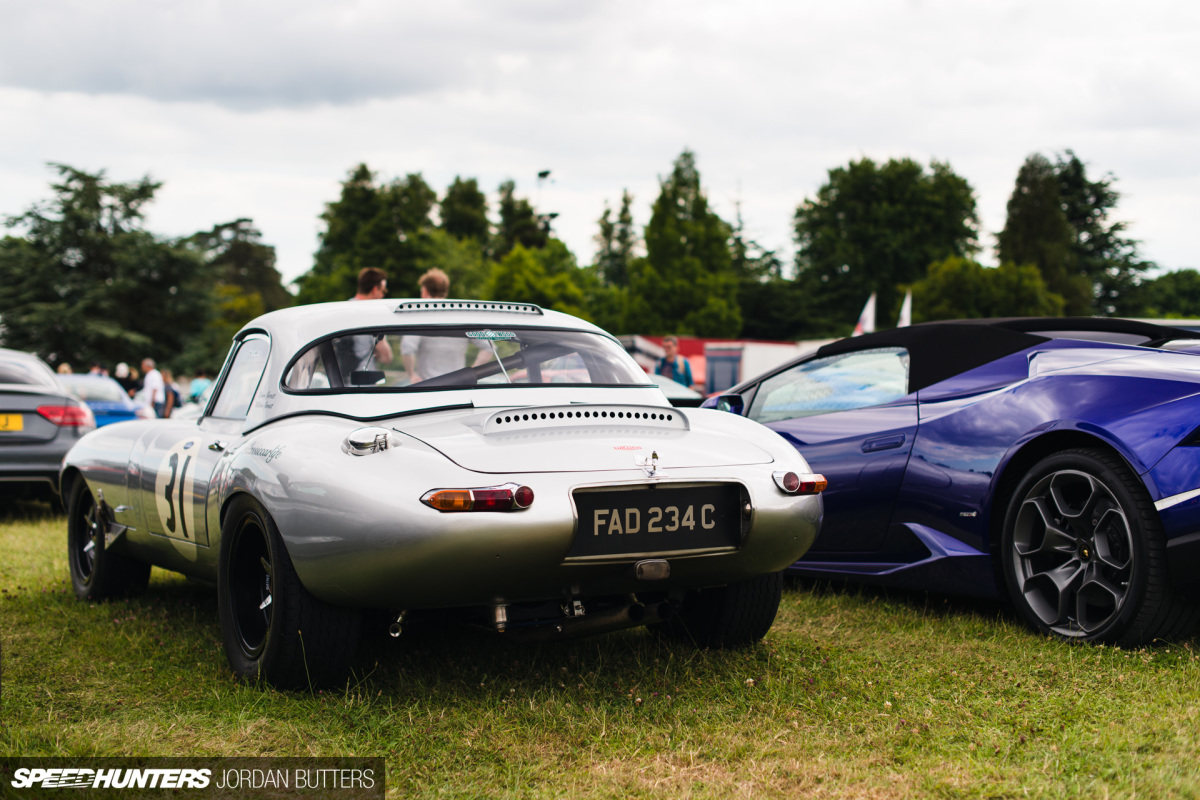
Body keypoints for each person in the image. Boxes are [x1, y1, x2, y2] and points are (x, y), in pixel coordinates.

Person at [401, 268, 470, 383]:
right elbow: (488, 347)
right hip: (458, 385)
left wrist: (411, 375)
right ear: (445, 291)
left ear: (425, 292)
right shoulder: (461, 316)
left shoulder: (420, 317)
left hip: (429, 385)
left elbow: (407, 348)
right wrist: (471, 371)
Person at [336, 268, 393, 378]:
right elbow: (386, 358)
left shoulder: (342, 310)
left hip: (341, 381)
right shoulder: (371, 315)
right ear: (375, 289)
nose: (383, 295)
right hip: (364, 381)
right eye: (383, 291)